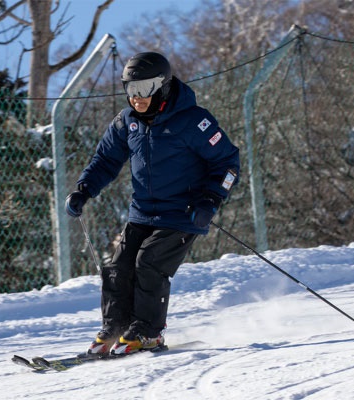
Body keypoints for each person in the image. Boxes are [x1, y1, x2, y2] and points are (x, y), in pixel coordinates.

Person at [65, 51, 240, 356]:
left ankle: (148, 332)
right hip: (142, 212)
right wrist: (84, 189)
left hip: (183, 213)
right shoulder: (126, 122)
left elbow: (228, 163)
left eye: (144, 89)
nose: (137, 98)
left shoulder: (194, 121)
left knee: (149, 263)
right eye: (131, 90)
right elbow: (105, 160)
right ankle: (116, 328)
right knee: (118, 266)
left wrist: (211, 199)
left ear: (162, 85)